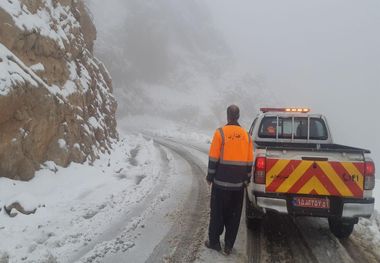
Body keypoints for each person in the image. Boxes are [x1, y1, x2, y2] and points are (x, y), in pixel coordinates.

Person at [205, 105, 254, 255]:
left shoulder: (220, 133)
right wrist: (246, 180)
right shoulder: (246, 135)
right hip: (237, 187)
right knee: (233, 217)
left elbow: (213, 158)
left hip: (220, 185)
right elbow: (249, 162)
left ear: (227, 116)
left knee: (217, 214)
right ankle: (228, 246)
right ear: (238, 116)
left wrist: (210, 176)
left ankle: (214, 243)